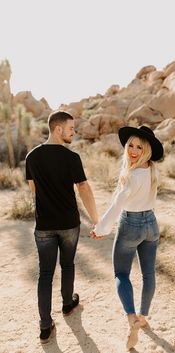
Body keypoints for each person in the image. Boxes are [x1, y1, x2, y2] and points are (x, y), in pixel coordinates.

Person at [26, 111, 98, 343]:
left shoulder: (32, 157)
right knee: (67, 265)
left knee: (45, 274)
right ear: (58, 129)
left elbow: (33, 188)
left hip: (44, 225)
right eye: (71, 129)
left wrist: (48, 201)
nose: (73, 133)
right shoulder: (71, 157)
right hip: (68, 223)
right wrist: (96, 219)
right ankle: (68, 305)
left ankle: (45, 327)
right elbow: (84, 188)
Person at [91, 125, 164, 350]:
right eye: (130, 145)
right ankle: (143, 316)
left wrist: (101, 229)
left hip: (130, 224)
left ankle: (132, 317)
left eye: (139, 147)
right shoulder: (153, 170)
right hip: (151, 223)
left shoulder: (131, 175)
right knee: (148, 273)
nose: (133, 150)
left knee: (121, 273)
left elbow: (117, 205)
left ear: (148, 150)